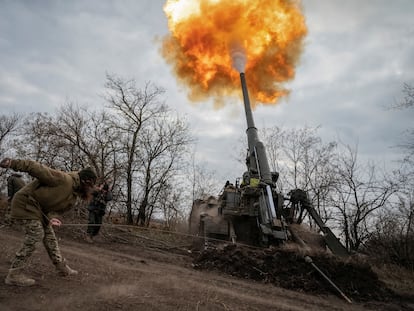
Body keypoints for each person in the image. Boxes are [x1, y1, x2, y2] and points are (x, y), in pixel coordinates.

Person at [0, 158, 97, 287]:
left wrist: (50, 218)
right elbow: (36, 168)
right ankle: (14, 274)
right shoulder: (64, 179)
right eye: (91, 186)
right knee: (36, 234)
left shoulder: (73, 195)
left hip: (38, 210)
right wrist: (13, 163)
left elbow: (51, 205)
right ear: (86, 181)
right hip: (26, 203)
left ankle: (61, 268)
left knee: (50, 237)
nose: (91, 190)